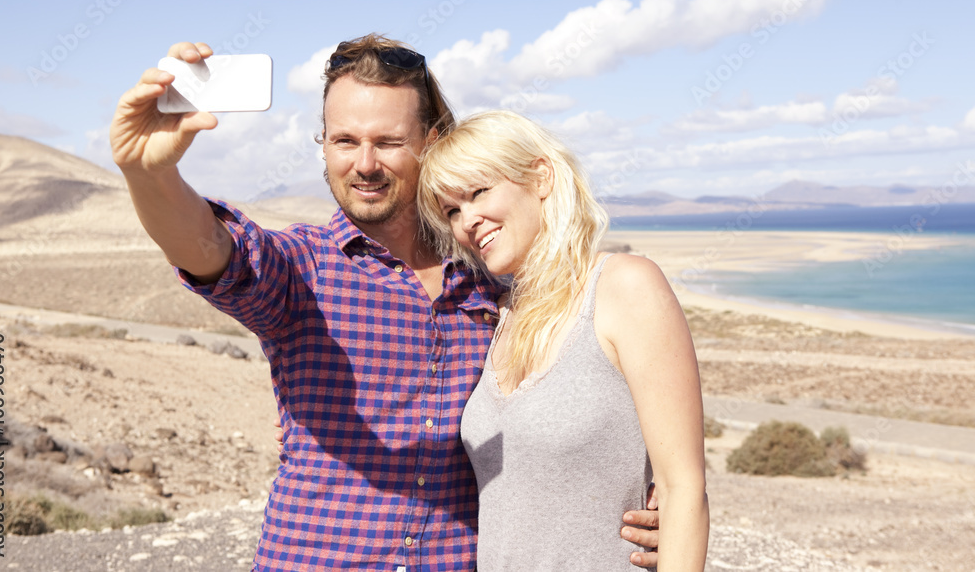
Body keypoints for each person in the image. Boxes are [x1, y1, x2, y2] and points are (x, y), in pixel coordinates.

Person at [109, 35, 660, 571]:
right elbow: (207, 246)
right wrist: (148, 172)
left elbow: (583, 404)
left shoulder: (497, 283)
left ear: (433, 140)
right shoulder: (304, 269)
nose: (365, 164)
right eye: (344, 141)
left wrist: (652, 496)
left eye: (389, 143)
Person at [416, 110, 709, 570]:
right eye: (453, 210)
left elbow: (683, 488)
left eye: (478, 192)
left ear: (541, 177)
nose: (468, 219)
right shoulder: (501, 315)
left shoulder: (624, 286)